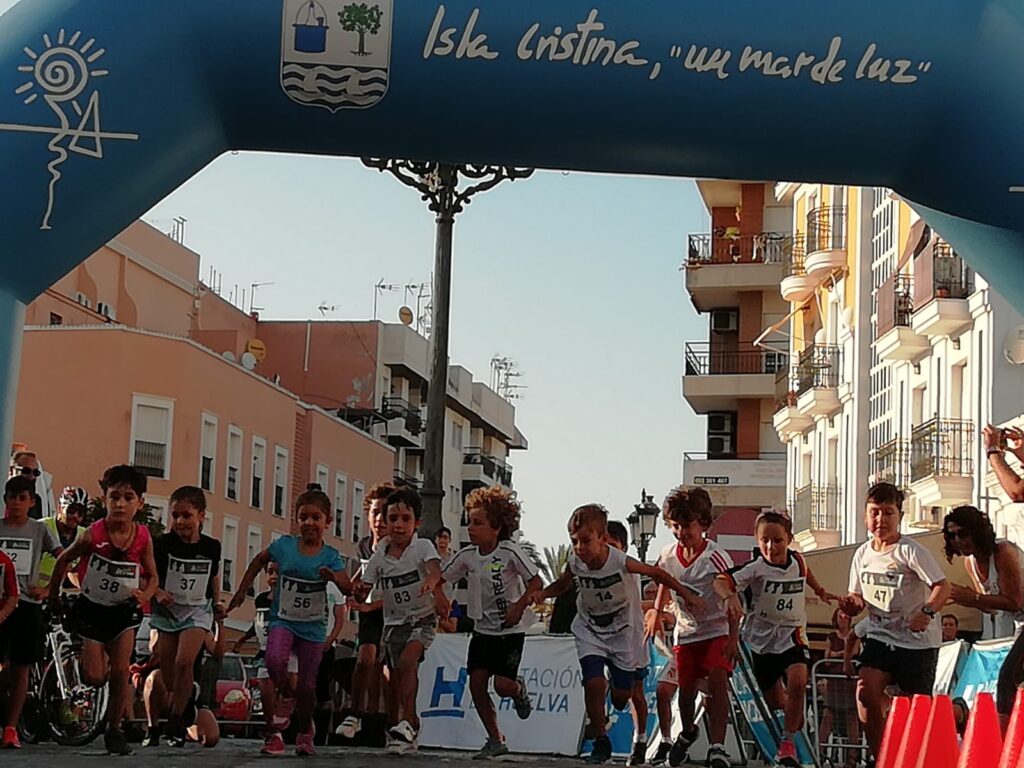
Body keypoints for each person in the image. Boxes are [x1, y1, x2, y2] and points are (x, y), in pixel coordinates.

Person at [538, 503, 702, 764]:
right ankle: (601, 741)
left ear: (604, 541)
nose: (580, 548)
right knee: (593, 682)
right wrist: (541, 594)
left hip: (625, 633)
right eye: (574, 541)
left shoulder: (620, 561)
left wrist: (685, 594)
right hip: (591, 629)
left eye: (585, 541)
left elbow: (657, 573)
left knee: (621, 697)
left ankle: (622, 717)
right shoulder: (575, 562)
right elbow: (562, 584)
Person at [228, 488, 349, 757]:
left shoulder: (329, 555)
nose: (309, 523)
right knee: (273, 660)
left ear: (327, 522)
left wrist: (333, 577)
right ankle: (285, 695)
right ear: (296, 519)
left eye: (316, 518)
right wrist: (241, 591)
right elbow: (260, 560)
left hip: (313, 628)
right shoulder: (284, 547)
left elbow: (346, 584)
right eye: (303, 517)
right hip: (283, 619)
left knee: (307, 686)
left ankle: (305, 730)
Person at [837, 483, 950, 765]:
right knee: (865, 694)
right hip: (880, 636)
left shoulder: (910, 551)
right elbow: (858, 596)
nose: (880, 520)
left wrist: (927, 611)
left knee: (915, 712)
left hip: (917, 643)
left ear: (899, 516)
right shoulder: (862, 554)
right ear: (865, 516)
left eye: (888, 513)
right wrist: (851, 605)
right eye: (875, 513)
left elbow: (942, 585)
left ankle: (914, 758)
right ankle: (882, 758)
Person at [48, 464, 158, 755]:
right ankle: (98, 663)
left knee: (121, 669)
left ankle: (114, 729)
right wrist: (54, 595)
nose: (120, 504)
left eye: (128, 497)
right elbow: (63, 561)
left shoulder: (143, 537)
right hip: (93, 608)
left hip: (123, 610)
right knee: (95, 676)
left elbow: (153, 576)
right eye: (114, 497)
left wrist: (144, 593)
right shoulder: (92, 535)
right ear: (105, 499)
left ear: (140, 503)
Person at [713, 510, 835, 768]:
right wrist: (729, 596)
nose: (771, 547)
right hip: (761, 642)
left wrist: (822, 591)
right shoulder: (755, 569)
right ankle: (792, 723)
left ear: (789, 539)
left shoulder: (798, 561)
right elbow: (721, 581)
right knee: (777, 702)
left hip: (792, 635)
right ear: (757, 541)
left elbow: (806, 573)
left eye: (777, 540)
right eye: (764, 540)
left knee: (799, 681)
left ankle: (788, 742)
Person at [440, 486, 540, 759]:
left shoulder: (510, 552)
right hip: (482, 631)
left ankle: (518, 689)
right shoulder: (467, 556)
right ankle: (495, 738)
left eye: (478, 523)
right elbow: (439, 578)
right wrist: (440, 599)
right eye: (468, 522)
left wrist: (519, 607)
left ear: (496, 528)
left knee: (502, 686)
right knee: (476, 684)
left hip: (510, 631)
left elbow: (536, 581)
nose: (471, 528)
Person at [644, 486, 736, 768]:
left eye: (687, 526)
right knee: (685, 693)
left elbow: (732, 596)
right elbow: (662, 580)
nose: (682, 532)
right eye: (676, 526)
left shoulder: (716, 556)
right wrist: (656, 612)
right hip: (686, 634)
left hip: (716, 630)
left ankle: (718, 747)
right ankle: (687, 732)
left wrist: (734, 638)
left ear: (704, 524)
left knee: (718, 681)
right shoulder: (669, 554)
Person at [354, 486, 445, 755]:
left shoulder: (422, 546)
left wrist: (431, 581)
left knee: (408, 662)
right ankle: (408, 724)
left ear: (416, 523)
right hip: (394, 623)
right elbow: (365, 584)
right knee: (394, 677)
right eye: (393, 518)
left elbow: (435, 569)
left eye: (405, 519)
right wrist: (355, 594)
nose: (398, 525)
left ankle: (405, 722)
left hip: (423, 618)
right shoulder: (379, 554)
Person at [150, 485, 222, 746]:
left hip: (197, 610)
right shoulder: (162, 544)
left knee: (184, 662)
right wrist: (157, 593)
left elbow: (213, 577)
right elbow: (148, 578)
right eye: (175, 515)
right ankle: (182, 698)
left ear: (201, 516)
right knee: (170, 674)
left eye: (186, 516)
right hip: (168, 610)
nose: (180, 522)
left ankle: (176, 721)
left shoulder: (212, 546)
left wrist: (217, 604)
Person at [942, 504, 1024, 726]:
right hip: (1016, 627)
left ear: (977, 531)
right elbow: (991, 607)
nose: (957, 540)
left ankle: (1005, 736)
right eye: (952, 535)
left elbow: (1014, 601)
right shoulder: (971, 563)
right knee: (1008, 680)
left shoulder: (1003, 552)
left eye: (963, 533)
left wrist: (973, 598)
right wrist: (963, 598)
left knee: (1007, 678)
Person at [0, 474, 63, 748]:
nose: (16, 503)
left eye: (22, 498)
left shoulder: (39, 530)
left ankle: (11, 728)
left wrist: (50, 588)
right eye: (12, 498)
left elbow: (64, 557)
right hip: (1, 605)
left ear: (31, 502)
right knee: (4, 668)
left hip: (28, 605)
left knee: (22, 668)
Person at [336, 482, 392, 742]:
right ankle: (355, 714)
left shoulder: (399, 548)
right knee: (366, 658)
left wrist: (370, 603)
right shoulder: (365, 545)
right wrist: (351, 590)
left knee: (391, 670)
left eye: (384, 514)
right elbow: (361, 576)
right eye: (374, 513)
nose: (379, 520)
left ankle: (392, 721)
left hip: (396, 610)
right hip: (370, 611)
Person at [606, 519, 652, 767]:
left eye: (613, 545)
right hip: (605, 639)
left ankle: (640, 739)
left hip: (632, 641)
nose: (609, 550)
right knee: (601, 683)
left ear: (623, 547)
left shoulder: (628, 568)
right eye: (605, 544)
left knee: (634, 694)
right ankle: (599, 732)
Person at [142, 620, 223, 748]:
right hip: (167, 686)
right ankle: (153, 728)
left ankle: (182, 728)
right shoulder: (161, 622)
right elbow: (155, 650)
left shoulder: (200, 622)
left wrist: (220, 625)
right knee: (155, 678)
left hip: (190, 688)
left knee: (210, 738)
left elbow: (217, 652)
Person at [819, 609, 861, 768]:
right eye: (840, 615)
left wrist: (837, 654)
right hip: (834, 680)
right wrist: (844, 654)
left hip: (849, 681)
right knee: (827, 716)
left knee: (851, 718)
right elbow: (826, 658)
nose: (843, 618)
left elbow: (855, 651)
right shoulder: (831, 636)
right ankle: (820, 752)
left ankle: (852, 757)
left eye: (846, 615)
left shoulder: (854, 635)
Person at [38, 486, 87, 591]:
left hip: (66, 594)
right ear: (59, 508)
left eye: (80, 513)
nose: (75, 516)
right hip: (37, 592)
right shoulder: (42, 527)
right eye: (71, 511)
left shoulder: (84, 534)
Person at [8, 451, 53, 521]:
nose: (32, 476)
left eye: (35, 472)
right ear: (11, 470)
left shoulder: (36, 500)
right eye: (26, 471)